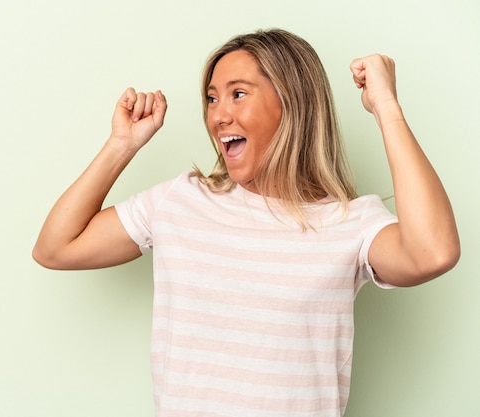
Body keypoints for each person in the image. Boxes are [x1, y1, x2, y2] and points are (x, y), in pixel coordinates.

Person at [33, 29, 459, 417]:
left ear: (293, 102)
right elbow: (56, 248)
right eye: (212, 97)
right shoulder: (179, 201)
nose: (218, 115)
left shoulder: (350, 222)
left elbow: (432, 253)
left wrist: (387, 108)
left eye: (238, 94)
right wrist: (121, 145)